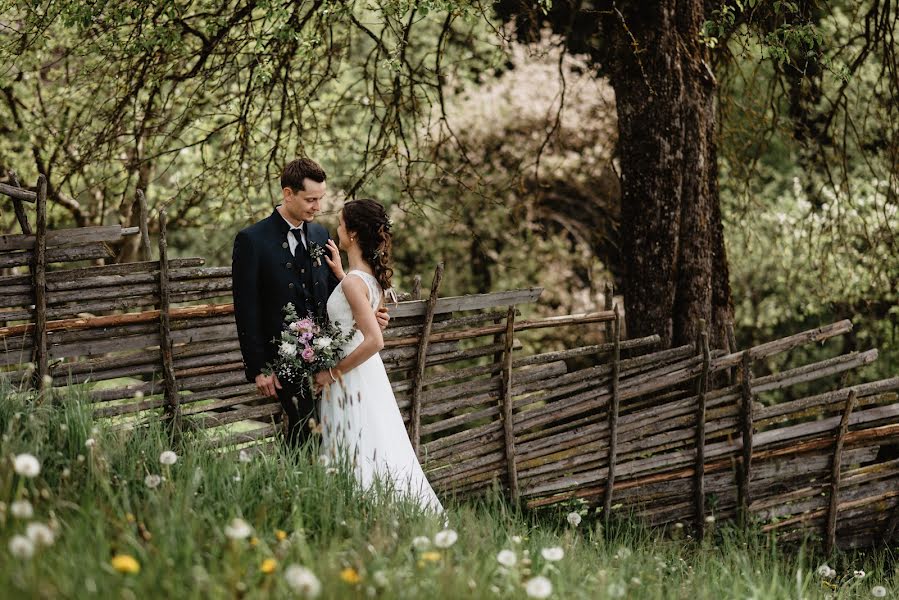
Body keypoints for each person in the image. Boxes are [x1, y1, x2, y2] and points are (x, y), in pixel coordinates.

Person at [231, 158, 388, 448]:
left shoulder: (319, 234)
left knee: (326, 436)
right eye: (310, 199)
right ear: (288, 194)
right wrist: (259, 367)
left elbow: (335, 295)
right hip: (284, 360)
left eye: (320, 199)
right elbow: (246, 308)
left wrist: (366, 317)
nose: (317, 207)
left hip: (326, 357)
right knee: (304, 433)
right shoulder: (252, 240)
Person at [313, 199, 444, 513]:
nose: (338, 229)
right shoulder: (367, 279)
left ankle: (362, 510)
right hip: (365, 373)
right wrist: (341, 273)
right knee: (372, 440)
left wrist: (332, 374)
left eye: (342, 225)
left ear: (354, 234)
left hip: (351, 375)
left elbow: (374, 340)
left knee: (355, 443)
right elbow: (358, 318)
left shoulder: (353, 283)